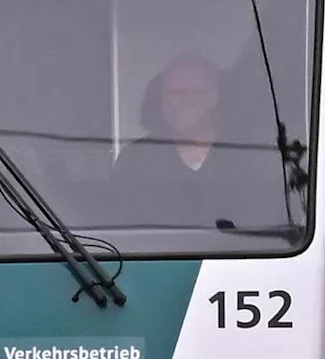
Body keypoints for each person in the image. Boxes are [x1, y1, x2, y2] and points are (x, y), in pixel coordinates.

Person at [111, 55, 289, 230]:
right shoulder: (135, 159)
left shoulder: (247, 155)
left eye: (191, 94)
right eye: (171, 94)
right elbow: (121, 225)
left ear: (213, 98)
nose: (177, 103)